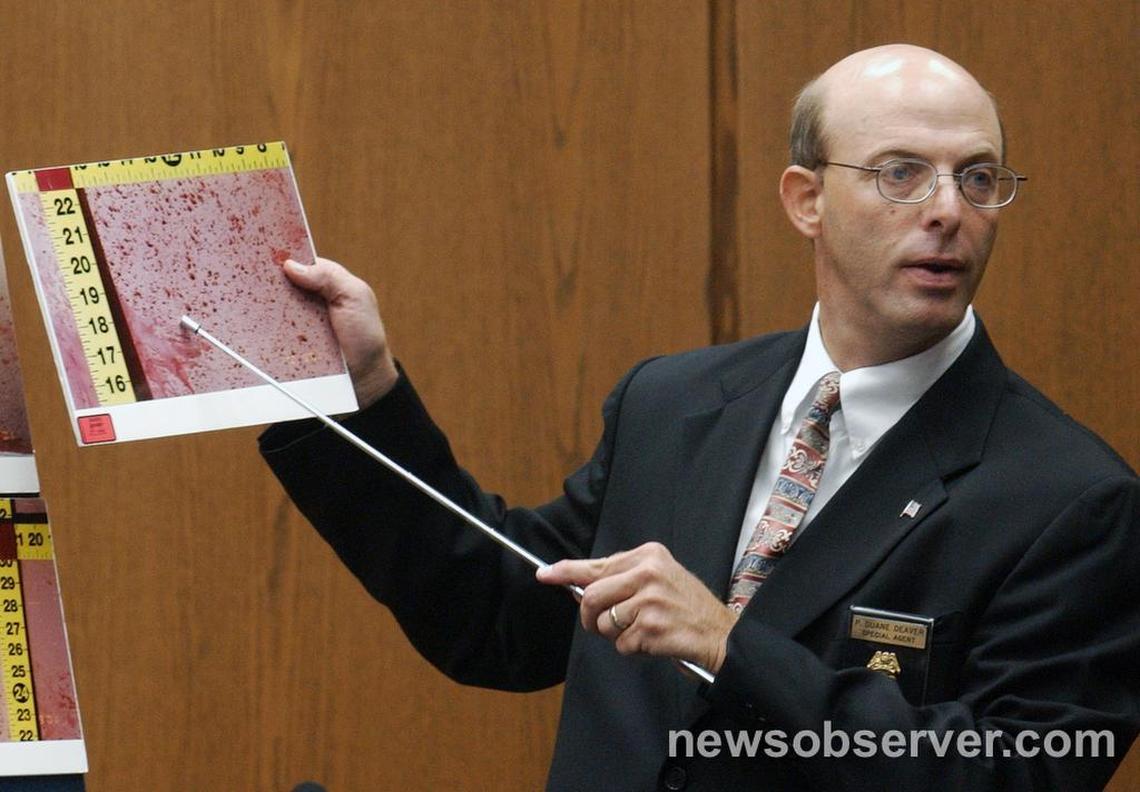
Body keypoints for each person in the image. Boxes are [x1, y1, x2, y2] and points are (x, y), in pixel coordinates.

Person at [258, 44, 1139, 790]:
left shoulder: (1073, 499)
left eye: (978, 178)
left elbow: (1021, 772)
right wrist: (361, 393)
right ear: (806, 200)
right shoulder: (673, 403)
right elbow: (502, 623)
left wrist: (730, 644)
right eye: (900, 173)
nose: (949, 210)